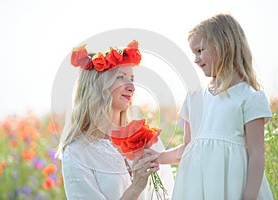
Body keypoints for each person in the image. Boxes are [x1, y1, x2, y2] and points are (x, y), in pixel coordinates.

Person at [157, 13, 274, 200]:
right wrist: (157, 157)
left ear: (225, 46)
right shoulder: (194, 98)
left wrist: (249, 196)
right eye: (193, 53)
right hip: (197, 189)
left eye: (200, 50)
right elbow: (187, 148)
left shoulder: (249, 96)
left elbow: (256, 154)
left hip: (235, 189)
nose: (196, 59)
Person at [55, 40, 171, 200]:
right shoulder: (77, 153)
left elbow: (169, 193)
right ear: (97, 86)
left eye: (131, 78)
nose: (132, 86)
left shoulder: (146, 139)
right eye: (121, 77)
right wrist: (136, 187)